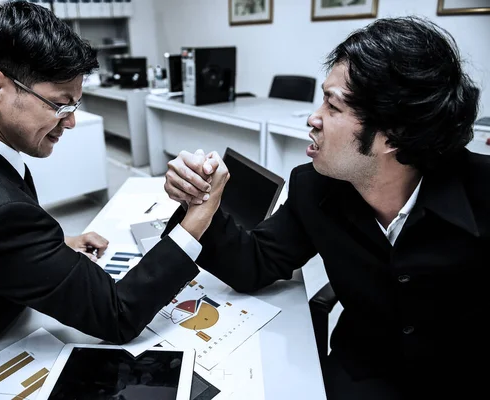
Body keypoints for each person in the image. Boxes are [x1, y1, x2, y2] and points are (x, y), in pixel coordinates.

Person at [0, 2, 221, 398]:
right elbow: (119, 315)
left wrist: (48, 249)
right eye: (59, 103)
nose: (70, 121)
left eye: (75, 105)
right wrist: (198, 218)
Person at [162, 17, 486, 399]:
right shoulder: (315, 188)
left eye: (333, 107)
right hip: (364, 372)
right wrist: (199, 202)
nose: (312, 118)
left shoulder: (481, 195)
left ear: (393, 135)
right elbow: (256, 262)